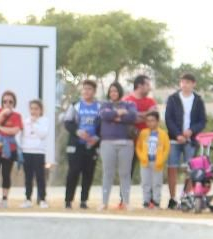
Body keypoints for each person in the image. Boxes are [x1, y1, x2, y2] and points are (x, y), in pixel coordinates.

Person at [163, 73, 207, 208]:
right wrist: (177, 135)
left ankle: (185, 197)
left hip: (190, 140)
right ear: (180, 83)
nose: (185, 84)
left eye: (188, 82)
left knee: (190, 169)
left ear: (194, 84)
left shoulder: (198, 100)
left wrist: (191, 131)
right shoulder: (173, 99)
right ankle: (172, 198)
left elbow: (202, 121)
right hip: (174, 140)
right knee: (172, 167)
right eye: (183, 82)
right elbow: (168, 119)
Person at [60, 79, 101, 210]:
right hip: (76, 144)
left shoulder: (99, 107)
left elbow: (102, 125)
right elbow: (67, 122)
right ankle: (68, 200)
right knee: (73, 172)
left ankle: (84, 200)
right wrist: (78, 131)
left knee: (88, 173)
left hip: (91, 145)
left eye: (89, 89)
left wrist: (97, 138)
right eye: (84, 89)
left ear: (94, 91)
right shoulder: (76, 105)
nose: (86, 91)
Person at [97, 82, 138, 210]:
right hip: (108, 142)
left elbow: (132, 116)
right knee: (107, 173)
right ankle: (104, 202)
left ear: (120, 92)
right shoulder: (104, 105)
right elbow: (104, 115)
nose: (113, 93)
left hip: (126, 143)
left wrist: (115, 116)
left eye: (115, 91)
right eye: (111, 91)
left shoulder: (129, 104)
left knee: (125, 173)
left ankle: (126, 202)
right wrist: (119, 113)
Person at [0, 91, 23, 209]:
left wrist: (0, 128)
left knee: (6, 174)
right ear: (1, 102)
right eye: (5, 101)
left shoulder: (17, 116)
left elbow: (14, 131)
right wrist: (2, 114)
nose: (7, 104)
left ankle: (5, 199)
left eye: (10, 102)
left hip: (9, 148)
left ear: (14, 103)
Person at [18, 98, 53, 208]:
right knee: (28, 177)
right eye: (32, 109)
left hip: (39, 152)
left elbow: (42, 134)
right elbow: (22, 135)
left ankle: (42, 199)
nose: (34, 111)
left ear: (41, 110)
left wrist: (34, 124)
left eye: (36, 109)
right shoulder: (25, 121)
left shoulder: (44, 120)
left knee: (40, 176)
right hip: (26, 151)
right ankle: (28, 199)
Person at [135, 108, 170, 210]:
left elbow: (166, 148)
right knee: (146, 182)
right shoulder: (143, 133)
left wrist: (161, 160)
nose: (150, 123)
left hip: (157, 162)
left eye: (152, 120)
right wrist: (142, 157)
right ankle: (146, 201)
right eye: (148, 121)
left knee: (157, 183)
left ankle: (156, 201)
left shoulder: (163, 134)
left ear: (157, 121)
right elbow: (139, 147)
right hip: (145, 162)